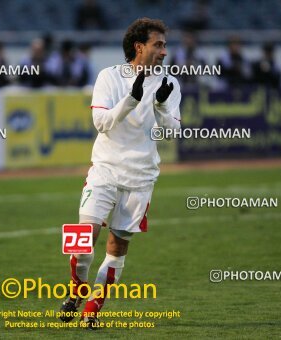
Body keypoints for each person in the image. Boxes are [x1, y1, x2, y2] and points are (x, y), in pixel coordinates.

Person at [58, 17, 181, 330]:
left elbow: (172, 132)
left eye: (165, 45)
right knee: (82, 240)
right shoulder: (108, 77)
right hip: (105, 170)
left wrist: (162, 107)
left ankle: (92, 311)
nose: (165, 52)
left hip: (140, 179)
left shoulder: (169, 82)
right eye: (159, 45)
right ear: (139, 47)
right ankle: (76, 291)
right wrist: (132, 100)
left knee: (117, 247)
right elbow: (101, 123)